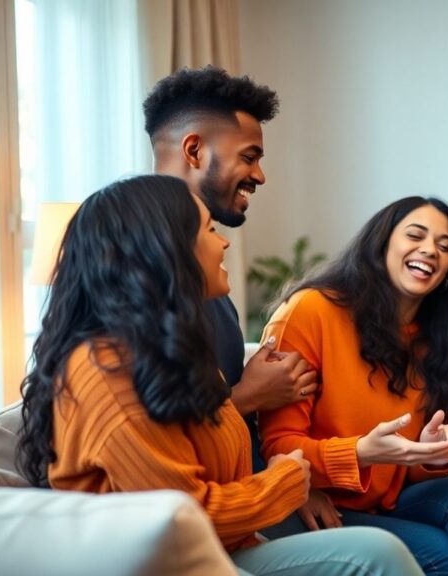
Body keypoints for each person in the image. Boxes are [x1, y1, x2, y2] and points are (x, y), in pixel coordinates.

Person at [16, 175, 424, 576]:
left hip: (220, 549)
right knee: (381, 551)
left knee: (394, 541)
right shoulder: (107, 374)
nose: (224, 242)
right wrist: (283, 482)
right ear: (167, 250)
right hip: (164, 563)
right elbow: (178, 519)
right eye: (209, 230)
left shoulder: (165, 350)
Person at [257, 197, 448, 576]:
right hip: (313, 501)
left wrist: (431, 455)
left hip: (382, 501)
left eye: (445, 247)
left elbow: (403, 471)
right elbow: (278, 445)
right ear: (382, 243)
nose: (430, 250)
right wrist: (360, 453)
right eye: (416, 235)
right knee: (442, 553)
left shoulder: (433, 339)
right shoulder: (312, 311)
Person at [143, 66, 314, 471]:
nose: (260, 175)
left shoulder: (208, 274)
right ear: (194, 151)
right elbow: (154, 441)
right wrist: (250, 396)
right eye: (249, 157)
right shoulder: (135, 271)